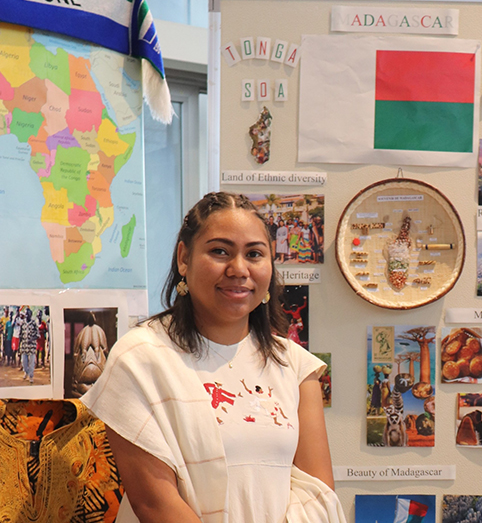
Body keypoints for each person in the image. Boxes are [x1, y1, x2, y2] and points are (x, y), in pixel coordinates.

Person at [81, 192, 341, 522]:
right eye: (220, 251)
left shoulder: (295, 365)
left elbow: (318, 495)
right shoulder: (139, 359)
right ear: (184, 258)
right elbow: (155, 504)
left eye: (254, 254)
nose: (239, 269)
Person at [19, 309, 38, 383]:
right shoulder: (23, 323)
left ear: (31, 315)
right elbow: (20, 335)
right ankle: (26, 372)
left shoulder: (34, 323)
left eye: (28, 314)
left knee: (31, 363)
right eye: (26, 314)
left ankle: (31, 376)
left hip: (32, 346)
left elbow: (37, 335)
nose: (26, 315)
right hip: (24, 346)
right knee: (24, 362)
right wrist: (19, 346)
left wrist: (31, 339)